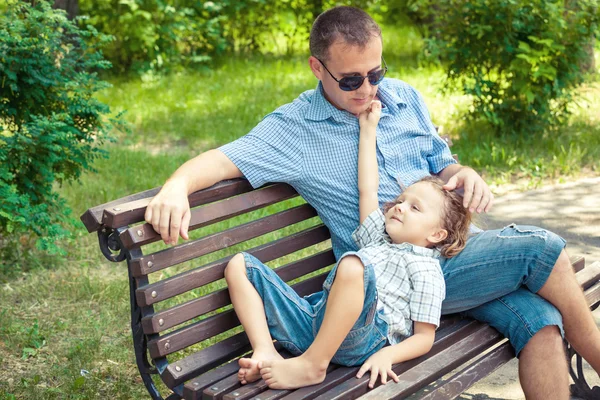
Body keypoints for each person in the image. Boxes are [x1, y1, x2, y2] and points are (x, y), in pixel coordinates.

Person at [144, 6, 600, 398]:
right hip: (392, 282)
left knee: (541, 321)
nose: (368, 88)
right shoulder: (295, 129)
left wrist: (461, 174)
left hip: (454, 255)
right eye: (351, 79)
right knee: (541, 249)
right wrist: (176, 186)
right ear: (317, 68)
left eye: (375, 73)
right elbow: (226, 158)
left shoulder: (402, 98)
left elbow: (442, 164)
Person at [223, 100, 472, 389]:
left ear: (437, 235)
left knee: (353, 264)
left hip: (363, 336)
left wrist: (388, 355)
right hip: (315, 324)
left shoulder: (427, 269)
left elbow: (423, 338)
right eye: (402, 201)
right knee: (239, 265)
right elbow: (368, 187)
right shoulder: (377, 236)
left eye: (415, 209)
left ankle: (314, 365)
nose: (400, 207)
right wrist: (368, 130)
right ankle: (266, 351)